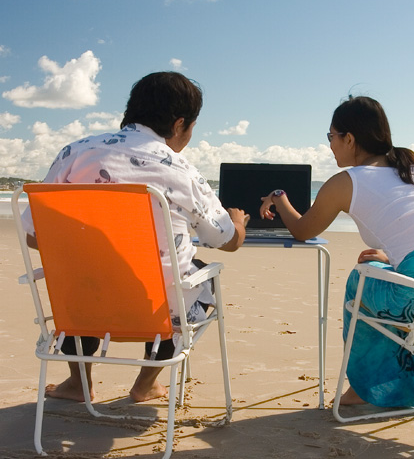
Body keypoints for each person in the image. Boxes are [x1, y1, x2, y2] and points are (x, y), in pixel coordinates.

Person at [22, 71, 249, 403]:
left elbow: (34, 236)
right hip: (155, 310)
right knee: (198, 279)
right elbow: (226, 241)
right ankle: (146, 383)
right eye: (190, 129)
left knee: (79, 276)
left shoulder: (74, 153)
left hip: (81, 307)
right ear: (179, 124)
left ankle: (78, 383)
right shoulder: (181, 170)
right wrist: (237, 221)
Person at [259, 96, 414, 407]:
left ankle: (365, 390)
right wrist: (394, 257)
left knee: (360, 281)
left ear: (349, 138)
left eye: (331, 137)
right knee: (384, 271)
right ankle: (407, 386)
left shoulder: (347, 182)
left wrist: (278, 197)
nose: (330, 145)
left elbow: (302, 230)